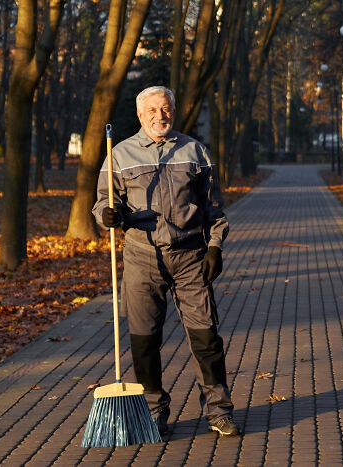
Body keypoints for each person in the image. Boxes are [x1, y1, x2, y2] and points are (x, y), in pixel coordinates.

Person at [92, 85, 240, 437]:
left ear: (173, 110)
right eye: (153, 110)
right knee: (144, 342)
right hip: (142, 257)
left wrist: (215, 246)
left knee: (206, 337)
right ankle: (154, 411)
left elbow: (212, 208)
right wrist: (108, 216)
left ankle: (218, 411)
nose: (161, 115)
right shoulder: (120, 153)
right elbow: (102, 203)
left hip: (190, 256)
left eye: (166, 108)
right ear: (141, 116)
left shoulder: (194, 151)